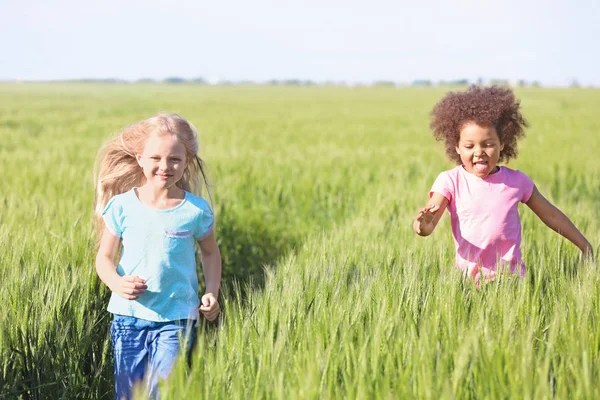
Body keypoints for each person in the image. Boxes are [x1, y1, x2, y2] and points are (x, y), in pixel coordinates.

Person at [93, 113, 222, 399]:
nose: (165, 166)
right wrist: (116, 283)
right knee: (128, 394)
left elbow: (211, 253)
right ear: (139, 158)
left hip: (176, 318)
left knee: (162, 393)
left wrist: (211, 291)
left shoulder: (195, 210)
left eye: (175, 159)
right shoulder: (122, 206)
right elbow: (104, 257)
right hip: (128, 318)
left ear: (187, 161)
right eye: (156, 158)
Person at [414, 85, 593, 283]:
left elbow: (550, 214)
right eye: (469, 146)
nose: (479, 151)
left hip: (512, 282)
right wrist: (423, 225)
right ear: (456, 147)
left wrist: (584, 245)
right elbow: (429, 224)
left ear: (502, 144)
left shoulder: (517, 182)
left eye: (488, 144)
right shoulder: (450, 181)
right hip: (467, 285)